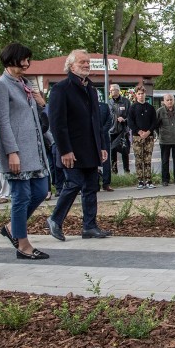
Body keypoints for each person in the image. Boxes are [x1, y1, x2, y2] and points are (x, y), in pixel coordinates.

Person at [0, 43, 51, 260]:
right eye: (22, 60)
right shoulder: (2, 85)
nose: (26, 64)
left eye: (28, 60)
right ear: (10, 60)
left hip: (35, 152)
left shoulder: (25, 84)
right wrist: (12, 152)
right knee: (21, 197)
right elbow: (3, 122)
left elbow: (35, 118)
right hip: (17, 153)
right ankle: (23, 244)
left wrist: (41, 104)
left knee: (41, 191)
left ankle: (12, 227)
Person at [46, 49, 111, 241]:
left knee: (91, 186)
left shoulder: (90, 89)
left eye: (88, 62)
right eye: (82, 62)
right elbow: (57, 123)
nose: (86, 65)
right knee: (74, 183)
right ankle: (55, 220)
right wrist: (65, 150)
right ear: (71, 65)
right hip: (71, 149)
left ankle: (89, 226)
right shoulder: (61, 89)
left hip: (91, 149)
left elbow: (96, 120)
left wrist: (102, 147)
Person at [128, 85, 156, 189]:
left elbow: (154, 122)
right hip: (137, 137)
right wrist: (139, 132)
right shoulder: (133, 108)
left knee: (147, 159)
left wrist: (148, 132)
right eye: (139, 94)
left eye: (142, 94)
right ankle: (140, 181)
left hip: (149, 137)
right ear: (136, 95)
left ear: (145, 94)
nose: (141, 96)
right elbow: (130, 122)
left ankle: (149, 180)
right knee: (139, 159)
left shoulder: (150, 107)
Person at [155, 94, 175, 186]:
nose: (169, 102)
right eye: (167, 100)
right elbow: (156, 126)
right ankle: (165, 180)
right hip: (164, 140)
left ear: (174, 100)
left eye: (171, 100)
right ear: (164, 101)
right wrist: (161, 133)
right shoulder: (160, 111)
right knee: (165, 160)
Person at [108, 84, 131, 174]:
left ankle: (127, 172)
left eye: (112, 90)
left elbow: (130, 117)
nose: (111, 91)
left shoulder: (126, 102)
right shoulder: (109, 102)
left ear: (118, 91)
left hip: (123, 131)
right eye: (110, 90)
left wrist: (124, 120)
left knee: (125, 152)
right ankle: (114, 172)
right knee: (112, 152)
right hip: (112, 131)